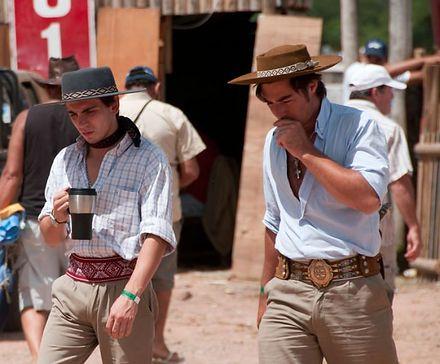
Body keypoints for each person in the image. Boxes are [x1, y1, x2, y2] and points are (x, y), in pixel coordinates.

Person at [229, 44, 397, 364]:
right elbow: (274, 221)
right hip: (287, 292)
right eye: (270, 102)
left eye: (286, 100)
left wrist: (305, 151)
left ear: (311, 87)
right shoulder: (272, 140)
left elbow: (367, 199)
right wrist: (265, 293)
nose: (278, 111)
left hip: (353, 289)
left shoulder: (359, 126)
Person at [37, 66, 176, 364]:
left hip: (124, 285)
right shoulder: (66, 159)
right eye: (73, 115)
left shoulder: (148, 157)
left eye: (89, 111)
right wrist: (59, 217)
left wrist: (131, 296)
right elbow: (49, 237)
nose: (81, 123)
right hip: (73, 286)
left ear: (114, 104)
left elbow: (156, 234)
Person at [119, 66, 205, 363]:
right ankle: (156, 341)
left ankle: (121, 339)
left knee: (121, 274)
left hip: (121, 209)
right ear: (155, 87)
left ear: (126, 86)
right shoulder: (172, 114)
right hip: (167, 210)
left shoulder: (110, 112)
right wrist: (169, 184)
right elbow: (191, 170)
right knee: (162, 277)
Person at [0, 56, 79, 362]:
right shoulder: (90, 116)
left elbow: (11, 174)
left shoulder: (25, 119)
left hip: (37, 220)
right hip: (80, 219)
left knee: (35, 296)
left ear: (47, 87)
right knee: (80, 294)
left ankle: (39, 358)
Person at [346, 64, 423, 300]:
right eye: (388, 90)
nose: (392, 96)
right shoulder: (388, 128)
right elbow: (399, 182)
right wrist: (414, 226)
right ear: (375, 92)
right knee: (379, 293)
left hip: (330, 229)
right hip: (375, 229)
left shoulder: (329, 121)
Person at [343, 38, 440, 102]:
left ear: (385, 59)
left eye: (377, 59)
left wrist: (432, 62)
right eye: (369, 57)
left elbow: (421, 76)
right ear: (363, 57)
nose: (373, 61)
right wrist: (424, 60)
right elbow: (379, 72)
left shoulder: (384, 76)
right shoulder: (354, 69)